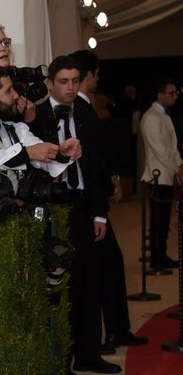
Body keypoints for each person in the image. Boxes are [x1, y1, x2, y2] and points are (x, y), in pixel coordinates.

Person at [28, 55, 120, 374]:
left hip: (83, 205)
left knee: (90, 283)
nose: (70, 88)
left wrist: (100, 213)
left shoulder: (84, 112)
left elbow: (93, 167)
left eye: (75, 81)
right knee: (61, 286)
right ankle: (60, 360)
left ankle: (88, 354)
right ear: (50, 83)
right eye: (63, 82)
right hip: (53, 208)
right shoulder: (35, 116)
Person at [69, 49, 148, 351]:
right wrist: (109, 183)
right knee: (101, 271)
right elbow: (91, 158)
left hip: (94, 201)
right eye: (96, 74)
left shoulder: (84, 107)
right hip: (89, 203)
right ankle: (108, 334)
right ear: (90, 74)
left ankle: (115, 330)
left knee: (107, 268)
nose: (96, 80)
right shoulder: (79, 108)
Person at [0, 65, 79, 197]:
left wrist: (62, 153)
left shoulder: (16, 129)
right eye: (8, 91)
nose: (16, 95)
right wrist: (26, 153)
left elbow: (43, 156)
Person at [140, 77, 182, 270]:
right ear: (160, 95)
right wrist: (177, 167)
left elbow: (173, 147)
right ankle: (156, 260)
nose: (175, 96)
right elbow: (161, 150)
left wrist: (179, 164)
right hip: (157, 176)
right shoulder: (150, 117)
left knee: (164, 221)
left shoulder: (164, 115)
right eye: (171, 92)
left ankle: (161, 256)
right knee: (158, 221)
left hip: (167, 175)